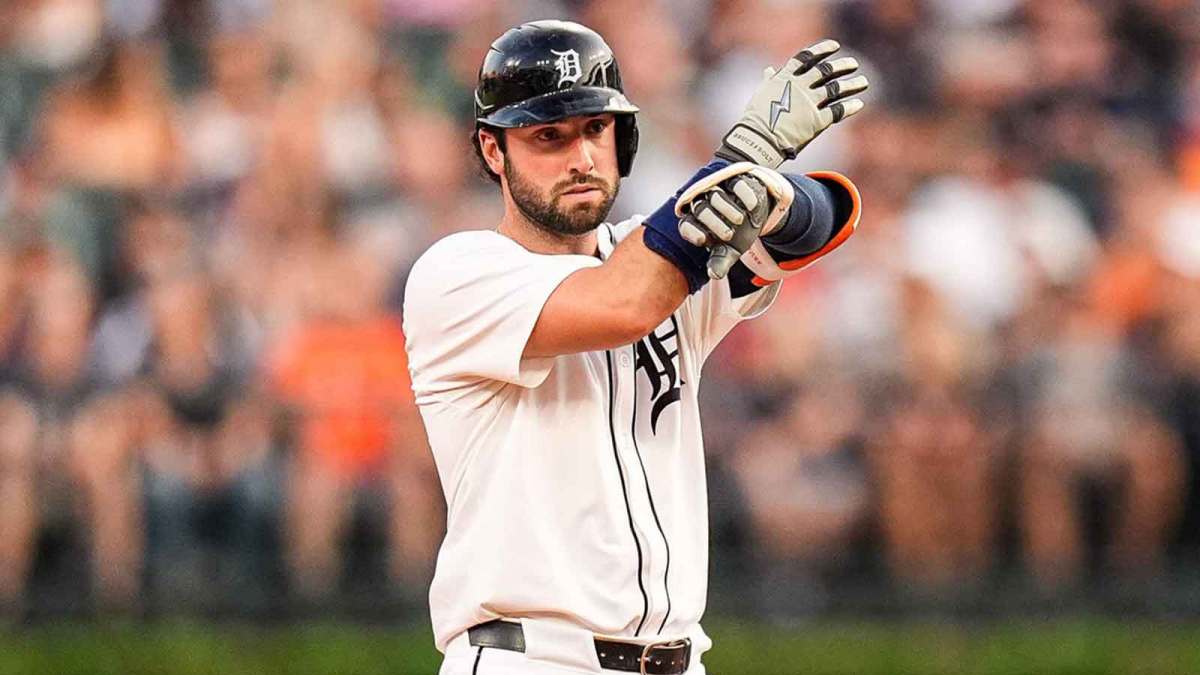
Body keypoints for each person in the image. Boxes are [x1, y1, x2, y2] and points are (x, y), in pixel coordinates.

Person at [403, 20, 867, 675]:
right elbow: (623, 303)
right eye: (548, 136)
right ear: (492, 149)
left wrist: (774, 193)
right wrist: (746, 155)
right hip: (530, 657)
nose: (581, 156)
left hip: (677, 658)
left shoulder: (654, 253)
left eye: (596, 129)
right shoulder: (456, 273)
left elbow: (811, 227)